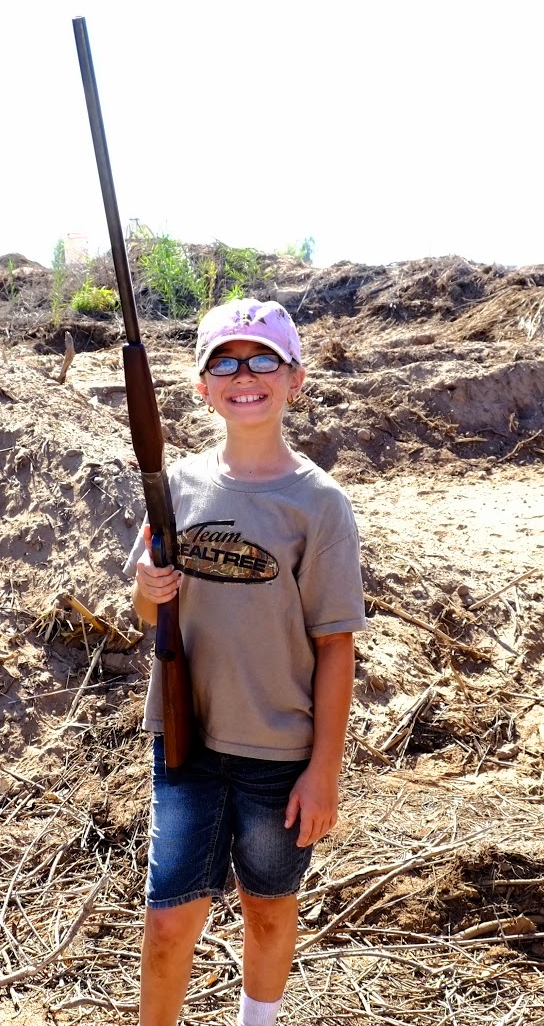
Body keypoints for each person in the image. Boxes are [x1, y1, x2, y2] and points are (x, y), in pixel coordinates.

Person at [126, 297, 368, 1026]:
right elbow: (148, 611)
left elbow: (336, 646)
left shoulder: (319, 505)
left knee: (267, 909)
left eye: (264, 358)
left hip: (278, 756)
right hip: (188, 743)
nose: (245, 374)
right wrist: (145, 589)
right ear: (201, 387)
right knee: (168, 921)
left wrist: (324, 769)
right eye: (223, 362)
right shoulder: (175, 487)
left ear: (295, 379)